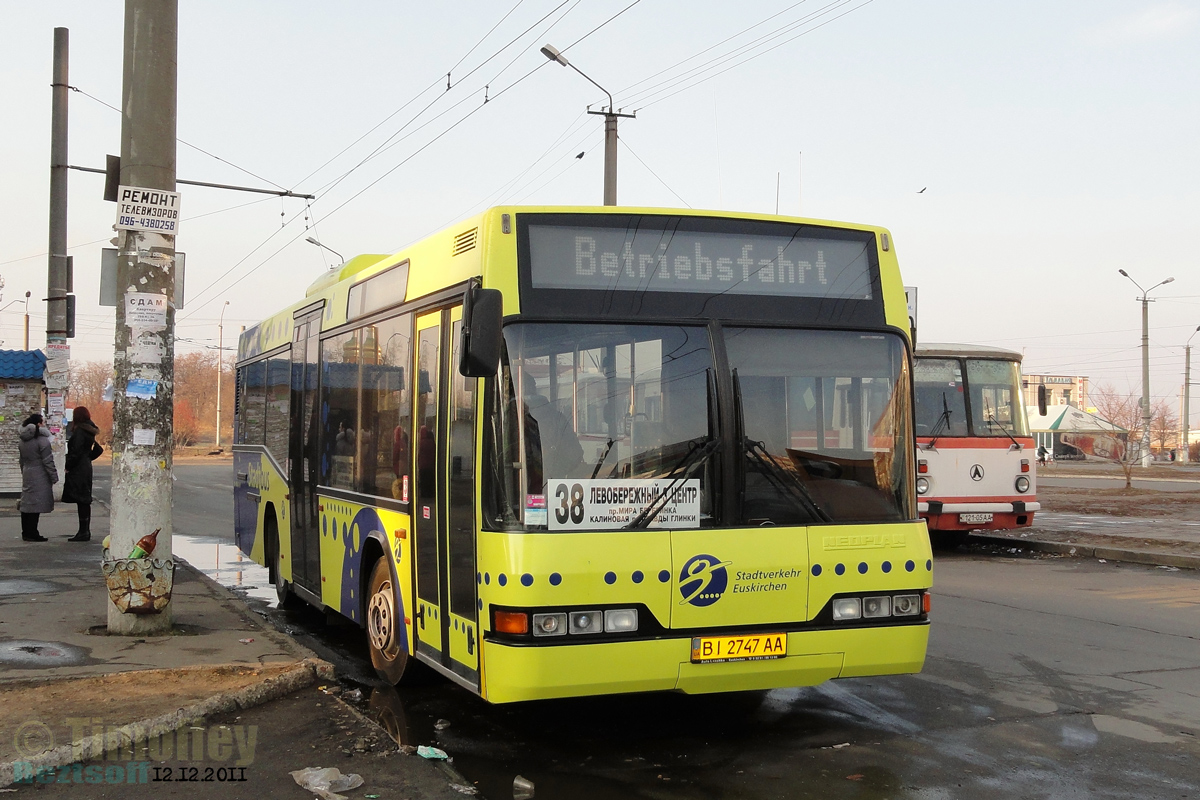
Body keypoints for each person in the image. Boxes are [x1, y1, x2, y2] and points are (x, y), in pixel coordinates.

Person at [61, 406, 102, 542]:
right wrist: (88, 457)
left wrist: (68, 466)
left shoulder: (79, 432)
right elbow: (98, 449)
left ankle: (83, 531)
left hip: (78, 468)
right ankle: (84, 530)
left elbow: (75, 452)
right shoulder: (89, 431)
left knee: (81, 499)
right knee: (84, 499)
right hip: (85, 466)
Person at [18, 413, 58, 542]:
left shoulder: (23, 440)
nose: (44, 424)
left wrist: (23, 471)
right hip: (40, 474)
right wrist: (54, 476)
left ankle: (26, 531)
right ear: (38, 424)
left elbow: (21, 459)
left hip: (27, 472)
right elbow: (48, 460)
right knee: (36, 504)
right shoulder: (42, 440)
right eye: (42, 422)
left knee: (26, 504)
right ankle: (33, 532)